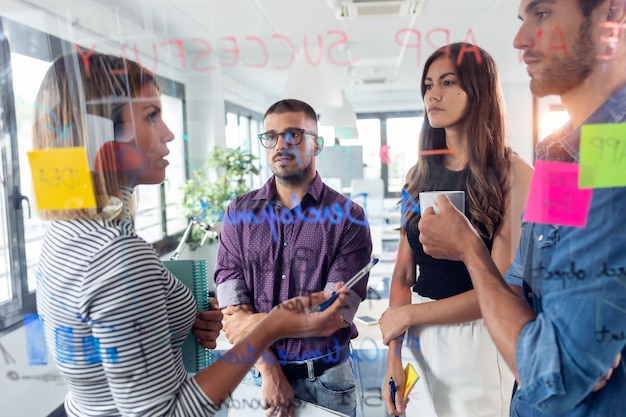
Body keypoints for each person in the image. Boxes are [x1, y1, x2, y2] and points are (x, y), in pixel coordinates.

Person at [33, 52, 351, 417]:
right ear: (102, 133)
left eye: (294, 135)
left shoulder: (65, 232)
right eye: (152, 116)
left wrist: (181, 318)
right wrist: (272, 326)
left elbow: (333, 314)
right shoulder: (120, 257)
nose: (169, 133)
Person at [417, 0, 626, 416]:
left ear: (612, 14)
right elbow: (521, 284)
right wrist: (547, 331)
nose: (520, 39)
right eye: (522, 19)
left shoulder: (614, 152)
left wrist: (471, 250)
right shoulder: (561, 155)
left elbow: (554, 376)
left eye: (543, 14)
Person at [378, 42, 534, 416]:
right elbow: (403, 273)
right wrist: (393, 357)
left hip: (479, 339)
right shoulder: (416, 177)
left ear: (477, 90)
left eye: (448, 83)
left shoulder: (514, 174)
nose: (434, 94)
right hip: (416, 341)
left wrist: (410, 315)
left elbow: (499, 289)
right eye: (429, 85)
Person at [214, 98, 372, 417]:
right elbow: (233, 311)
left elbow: (334, 316)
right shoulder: (238, 213)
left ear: (317, 144)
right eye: (270, 136)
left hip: (327, 382)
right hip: (256, 375)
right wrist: (270, 368)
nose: (280, 144)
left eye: (294, 134)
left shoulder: (348, 218)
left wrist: (258, 323)